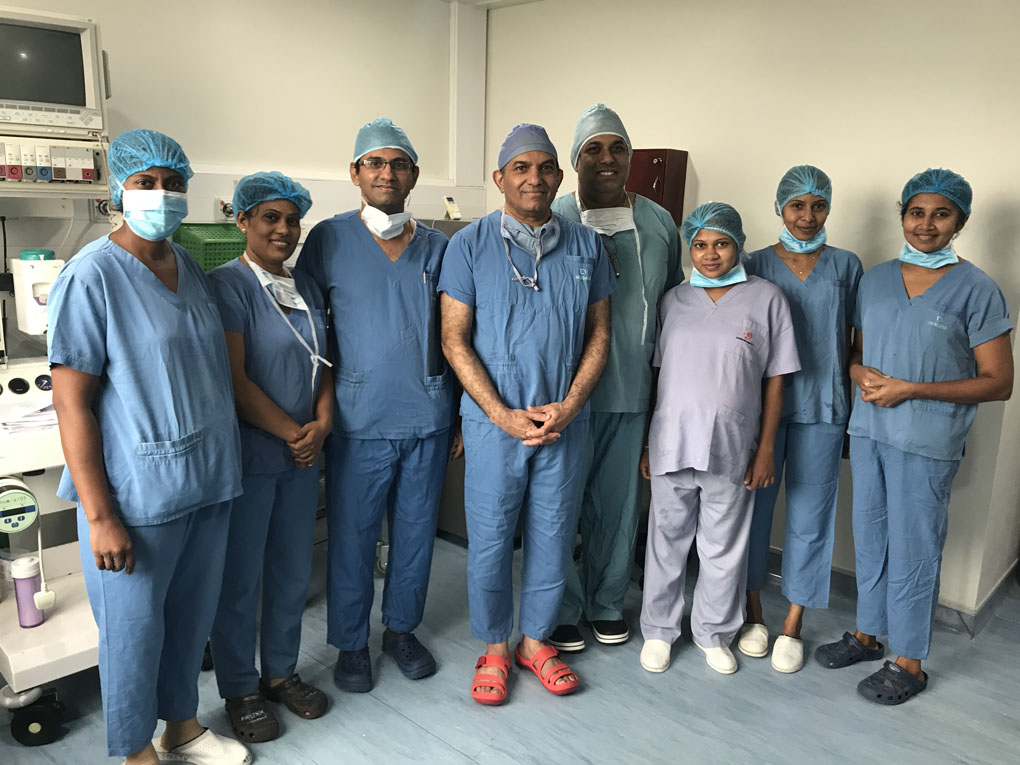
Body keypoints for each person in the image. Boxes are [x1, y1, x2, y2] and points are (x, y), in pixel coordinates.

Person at [48, 129, 250, 765]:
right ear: (118, 191)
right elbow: (70, 403)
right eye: (146, 183)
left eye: (172, 184)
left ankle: (182, 728)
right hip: (135, 496)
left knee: (190, 622)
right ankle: (136, 750)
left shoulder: (187, 264)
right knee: (135, 634)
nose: (161, 195)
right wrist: (101, 516)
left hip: (206, 479)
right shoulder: (91, 277)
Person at [816, 168, 1013, 704]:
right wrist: (858, 373)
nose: (926, 225)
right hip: (870, 433)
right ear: (902, 215)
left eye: (940, 214)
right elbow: (857, 353)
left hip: (926, 442)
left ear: (960, 222)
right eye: (916, 212)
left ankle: (909, 660)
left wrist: (911, 389)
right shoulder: (875, 279)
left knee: (915, 548)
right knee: (872, 538)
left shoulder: (977, 289)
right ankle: (867, 633)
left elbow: (999, 383)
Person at [439, 123, 613, 705]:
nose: (534, 178)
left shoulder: (587, 245)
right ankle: (493, 645)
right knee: (489, 537)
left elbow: (599, 335)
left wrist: (569, 405)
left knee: (554, 533)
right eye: (521, 168)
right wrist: (501, 414)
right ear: (500, 179)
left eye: (544, 168)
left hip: (565, 420)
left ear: (559, 178)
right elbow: (454, 340)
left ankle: (535, 641)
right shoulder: (468, 244)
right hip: (494, 424)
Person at [295, 118, 459, 694]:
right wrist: (320, 410)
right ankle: (349, 643)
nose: (387, 173)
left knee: (415, 533)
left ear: (413, 175)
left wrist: (460, 412)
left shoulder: (442, 248)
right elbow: (312, 335)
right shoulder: (327, 240)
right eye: (375, 163)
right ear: (356, 173)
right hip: (358, 418)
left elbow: (460, 336)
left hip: (429, 417)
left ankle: (401, 632)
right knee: (353, 536)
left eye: (399, 164)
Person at [638, 202, 800, 676]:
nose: (710, 254)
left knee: (723, 546)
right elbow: (658, 375)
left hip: (733, 444)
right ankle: (659, 631)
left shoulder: (766, 299)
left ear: (738, 245)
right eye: (701, 245)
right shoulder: (674, 301)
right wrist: (648, 443)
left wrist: (766, 448)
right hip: (671, 440)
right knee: (665, 541)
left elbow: (776, 379)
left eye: (721, 243)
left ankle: (713, 633)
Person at [548, 104, 684, 651]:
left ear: (631, 157)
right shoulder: (552, 214)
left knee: (618, 503)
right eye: (593, 149)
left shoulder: (657, 222)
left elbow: (675, 304)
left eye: (617, 148)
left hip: (631, 385)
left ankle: (605, 603)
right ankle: (559, 605)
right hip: (563, 390)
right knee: (559, 504)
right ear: (575, 160)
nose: (607, 159)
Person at [208, 172, 331, 742]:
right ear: (242, 221)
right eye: (269, 218)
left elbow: (323, 362)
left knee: (289, 571)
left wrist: (322, 423)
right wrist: (292, 432)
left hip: (302, 458)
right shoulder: (225, 287)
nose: (283, 229)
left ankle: (280, 673)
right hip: (254, 456)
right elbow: (234, 379)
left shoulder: (305, 284)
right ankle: (238, 686)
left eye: (291, 219)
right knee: (241, 580)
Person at [738, 166, 863, 673]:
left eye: (818, 206)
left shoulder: (846, 266)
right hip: (759, 410)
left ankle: (792, 623)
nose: (807, 217)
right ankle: (752, 613)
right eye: (797, 206)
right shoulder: (753, 264)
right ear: (780, 208)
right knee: (751, 515)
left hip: (824, 409)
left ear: (828, 209)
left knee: (812, 518)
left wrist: (855, 413)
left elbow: (857, 342)